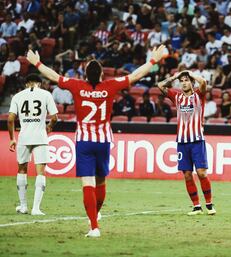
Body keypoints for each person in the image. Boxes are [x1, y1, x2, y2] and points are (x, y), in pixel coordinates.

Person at [26, 45, 165, 237]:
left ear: (85, 74)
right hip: (103, 141)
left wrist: (37, 63)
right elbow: (135, 76)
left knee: (87, 183)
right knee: (100, 181)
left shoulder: (77, 85)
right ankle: (97, 213)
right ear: (101, 75)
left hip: (84, 141)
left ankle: (94, 227)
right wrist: (153, 60)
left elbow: (53, 76)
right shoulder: (110, 86)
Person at [157, 70, 216, 216]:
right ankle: (196, 206)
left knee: (202, 173)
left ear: (191, 82)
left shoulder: (198, 95)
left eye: (186, 80)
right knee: (187, 175)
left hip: (197, 140)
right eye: (182, 80)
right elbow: (160, 85)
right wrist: (175, 77)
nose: (183, 82)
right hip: (182, 141)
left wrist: (190, 73)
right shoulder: (176, 96)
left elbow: (203, 83)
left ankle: (209, 204)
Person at [8, 74, 58, 216]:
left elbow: (11, 119)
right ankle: (36, 208)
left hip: (24, 137)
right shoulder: (46, 94)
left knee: (22, 169)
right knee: (40, 171)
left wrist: (12, 138)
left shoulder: (17, 96)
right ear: (39, 84)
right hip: (40, 137)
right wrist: (49, 127)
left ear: (26, 84)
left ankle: (23, 206)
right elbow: (54, 117)